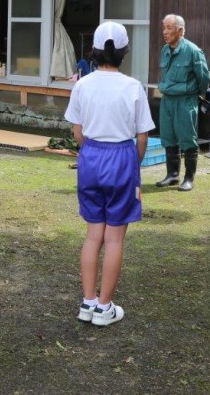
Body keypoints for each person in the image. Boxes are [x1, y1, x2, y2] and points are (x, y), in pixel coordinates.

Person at [65, 21, 153, 327]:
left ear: (95, 50)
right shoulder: (133, 87)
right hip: (121, 157)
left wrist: (90, 151)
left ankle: (87, 302)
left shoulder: (82, 84)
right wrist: (134, 163)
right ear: (125, 52)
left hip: (90, 156)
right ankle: (105, 308)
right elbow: (142, 136)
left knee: (93, 235)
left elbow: (77, 132)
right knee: (115, 238)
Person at [154, 14, 210, 193]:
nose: (165, 32)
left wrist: (194, 93)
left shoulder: (193, 51)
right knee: (168, 137)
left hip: (186, 101)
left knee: (187, 138)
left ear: (180, 30)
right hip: (167, 101)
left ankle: (188, 178)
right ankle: (172, 175)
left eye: (169, 28)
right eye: (164, 28)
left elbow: (204, 78)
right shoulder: (165, 50)